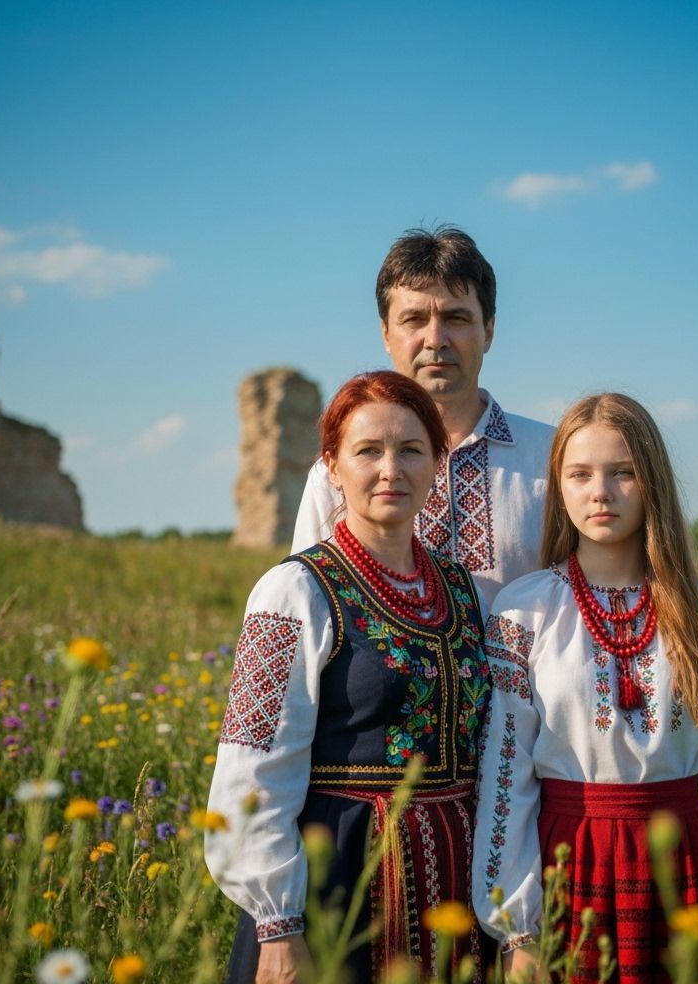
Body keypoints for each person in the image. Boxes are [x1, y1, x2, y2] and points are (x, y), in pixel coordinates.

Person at [472, 394, 698, 984]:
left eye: (624, 472)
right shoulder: (525, 611)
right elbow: (506, 774)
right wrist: (516, 928)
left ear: (653, 482)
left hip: (687, 863)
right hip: (568, 863)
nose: (601, 491)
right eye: (581, 474)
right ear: (559, 487)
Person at [207, 370, 492, 984]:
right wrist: (278, 926)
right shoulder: (291, 591)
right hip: (340, 882)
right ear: (332, 467)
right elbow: (251, 767)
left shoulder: (463, 590)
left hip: (456, 883)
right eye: (368, 451)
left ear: (438, 464)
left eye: (412, 450)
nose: (391, 469)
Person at [292, 226, 553, 607]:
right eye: (414, 319)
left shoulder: (555, 457)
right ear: (385, 333)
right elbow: (307, 597)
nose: (435, 339)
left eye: (457, 318)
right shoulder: (339, 472)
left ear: (490, 331)